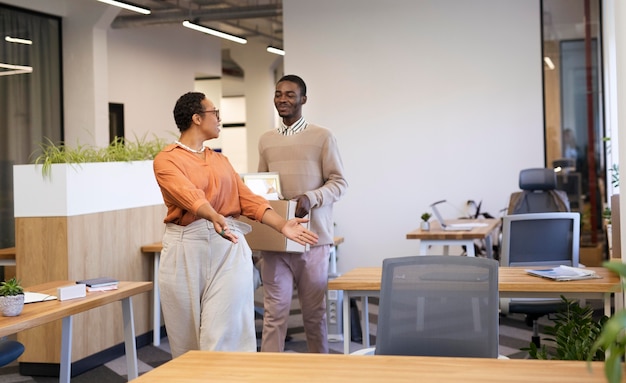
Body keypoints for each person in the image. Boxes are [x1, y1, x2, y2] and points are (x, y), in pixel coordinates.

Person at [153, 91, 318, 358]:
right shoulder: (167, 159)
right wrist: (212, 215)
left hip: (228, 245)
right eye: (214, 112)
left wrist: (282, 225)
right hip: (186, 247)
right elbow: (186, 193)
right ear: (196, 118)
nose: (219, 118)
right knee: (186, 340)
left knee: (224, 332)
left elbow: (246, 199)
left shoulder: (220, 160)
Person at [258, 75, 348, 353]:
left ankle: (320, 372)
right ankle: (270, 375)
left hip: (313, 239)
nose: (282, 99)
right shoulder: (266, 140)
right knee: (274, 316)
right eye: (278, 94)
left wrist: (310, 197)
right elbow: (262, 184)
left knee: (314, 315)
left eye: (290, 94)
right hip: (275, 241)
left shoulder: (323, 136)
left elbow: (339, 183)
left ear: (303, 100)